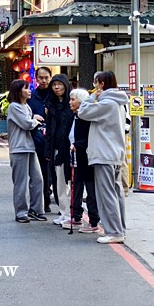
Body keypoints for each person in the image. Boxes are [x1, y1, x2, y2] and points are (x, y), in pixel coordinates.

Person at [77, 71, 129, 244]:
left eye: (95, 83)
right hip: (114, 154)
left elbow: (82, 112)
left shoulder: (107, 104)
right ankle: (119, 228)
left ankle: (114, 231)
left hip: (104, 154)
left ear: (101, 84)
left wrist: (91, 98)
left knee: (106, 194)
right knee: (115, 192)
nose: (94, 86)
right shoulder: (119, 103)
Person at [5, 79, 47, 223]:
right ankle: (21, 212)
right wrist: (35, 120)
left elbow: (29, 121)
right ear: (18, 91)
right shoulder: (14, 106)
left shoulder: (26, 107)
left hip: (30, 147)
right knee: (21, 182)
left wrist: (33, 118)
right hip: (19, 148)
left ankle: (36, 209)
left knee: (38, 179)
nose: (29, 91)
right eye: (26, 88)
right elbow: (26, 124)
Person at [66, 88, 101, 233]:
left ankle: (94, 222)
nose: (70, 102)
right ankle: (76, 216)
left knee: (90, 190)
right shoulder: (74, 117)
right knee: (76, 187)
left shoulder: (86, 119)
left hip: (86, 159)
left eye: (73, 99)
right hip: (76, 158)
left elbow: (89, 139)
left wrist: (77, 145)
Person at [45, 74, 73, 222]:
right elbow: (49, 131)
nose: (56, 87)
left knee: (72, 183)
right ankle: (64, 213)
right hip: (57, 149)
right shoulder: (50, 105)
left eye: (59, 84)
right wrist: (48, 151)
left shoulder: (72, 104)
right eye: (54, 85)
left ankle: (73, 213)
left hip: (71, 149)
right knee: (60, 183)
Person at [30, 66, 53, 212]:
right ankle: (44, 202)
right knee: (41, 172)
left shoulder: (56, 94)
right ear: (36, 79)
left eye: (46, 78)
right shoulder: (31, 97)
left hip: (55, 139)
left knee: (54, 173)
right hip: (37, 139)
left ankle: (60, 203)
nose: (43, 81)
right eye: (41, 78)